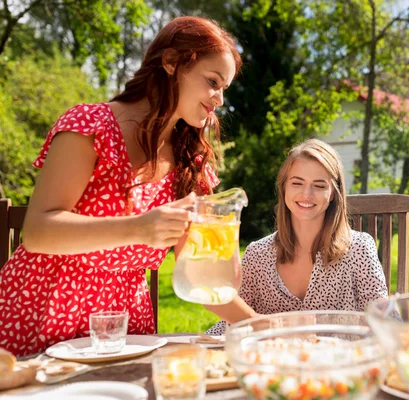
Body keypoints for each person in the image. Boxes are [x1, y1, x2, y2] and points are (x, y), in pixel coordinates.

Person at [0, 16, 242, 356]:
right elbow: (39, 232)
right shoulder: (90, 125)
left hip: (125, 327)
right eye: (212, 81)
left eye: (224, 89)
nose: (218, 99)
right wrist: (139, 229)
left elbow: (202, 276)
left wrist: (259, 326)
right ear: (172, 63)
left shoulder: (192, 162)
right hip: (41, 310)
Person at [205, 139, 388, 334]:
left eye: (319, 186)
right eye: (297, 183)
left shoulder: (359, 248)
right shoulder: (257, 254)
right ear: (284, 187)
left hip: (343, 361)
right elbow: (235, 325)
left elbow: (385, 321)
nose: (306, 194)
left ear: (334, 193)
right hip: (275, 362)